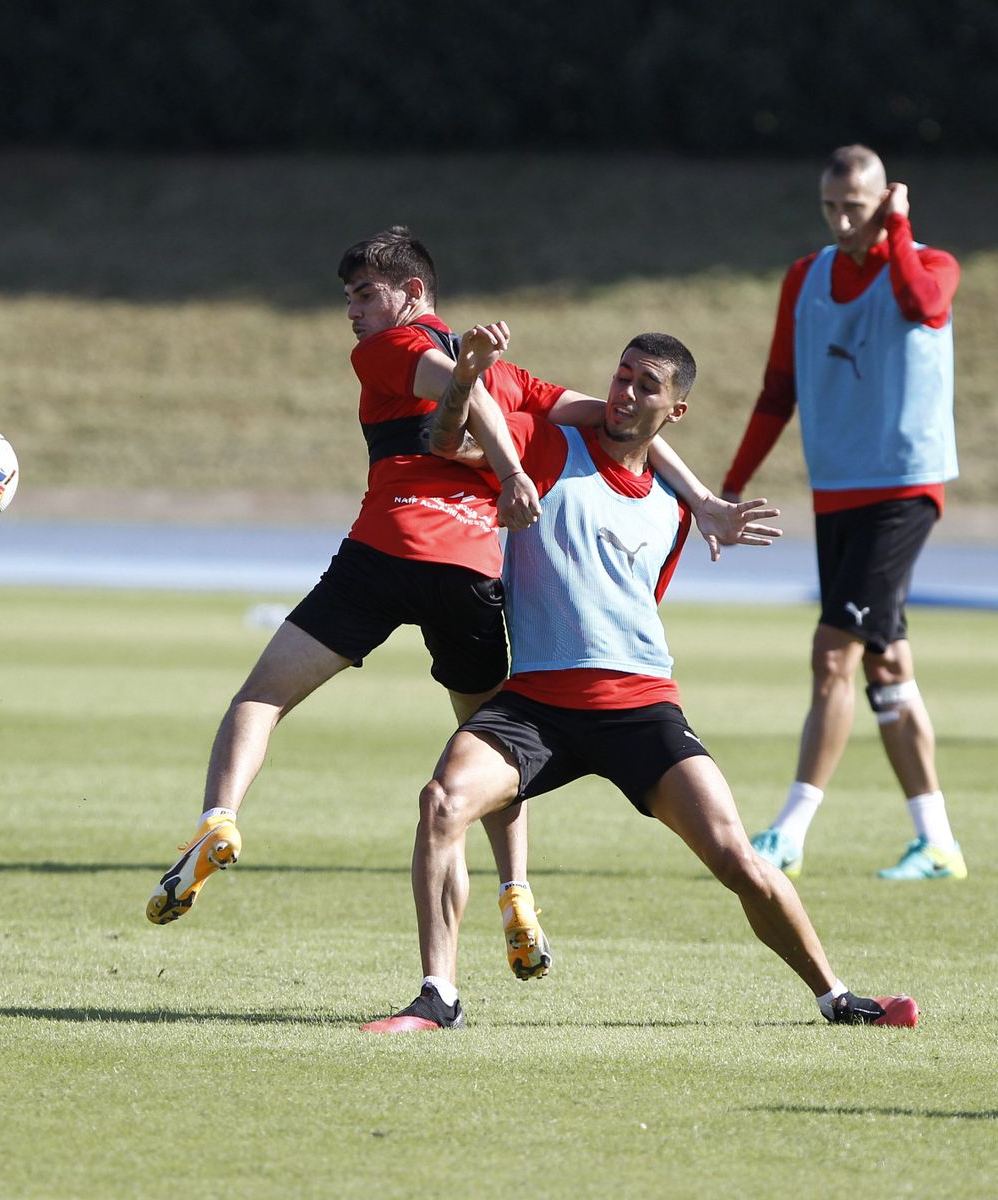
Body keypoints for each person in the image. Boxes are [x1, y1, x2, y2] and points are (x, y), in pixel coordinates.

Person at [146, 227, 742, 981]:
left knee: (262, 697)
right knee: (494, 751)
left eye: (367, 294)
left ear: (414, 294)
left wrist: (507, 452)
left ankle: (219, 818)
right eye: (350, 298)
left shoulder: (390, 349)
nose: (354, 312)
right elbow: (618, 420)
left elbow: (462, 395)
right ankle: (517, 894)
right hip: (468, 569)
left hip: (386, 551)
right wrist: (699, 494)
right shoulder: (511, 375)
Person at [362, 325, 918, 1032]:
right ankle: (438, 996)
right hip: (537, 704)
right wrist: (467, 377)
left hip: (641, 708)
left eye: (645, 386)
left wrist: (705, 500)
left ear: (674, 411)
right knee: (442, 803)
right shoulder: (546, 444)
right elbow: (447, 440)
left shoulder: (677, 506)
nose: (624, 393)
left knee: (738, 858)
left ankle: (836, 997)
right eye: (621, 376)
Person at [721, 144, 967, 882]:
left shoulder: (928, 262)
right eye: (830, 206)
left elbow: (924, 305)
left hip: (903, 488)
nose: (840, 219)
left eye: (854, 205)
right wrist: (729, 485)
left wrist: (897, 232)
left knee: (834, 654)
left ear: (885, 200)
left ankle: (789, 832)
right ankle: (937, 841)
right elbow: (777, 389)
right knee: (886, 663)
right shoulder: (804, 278)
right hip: (838, 491)